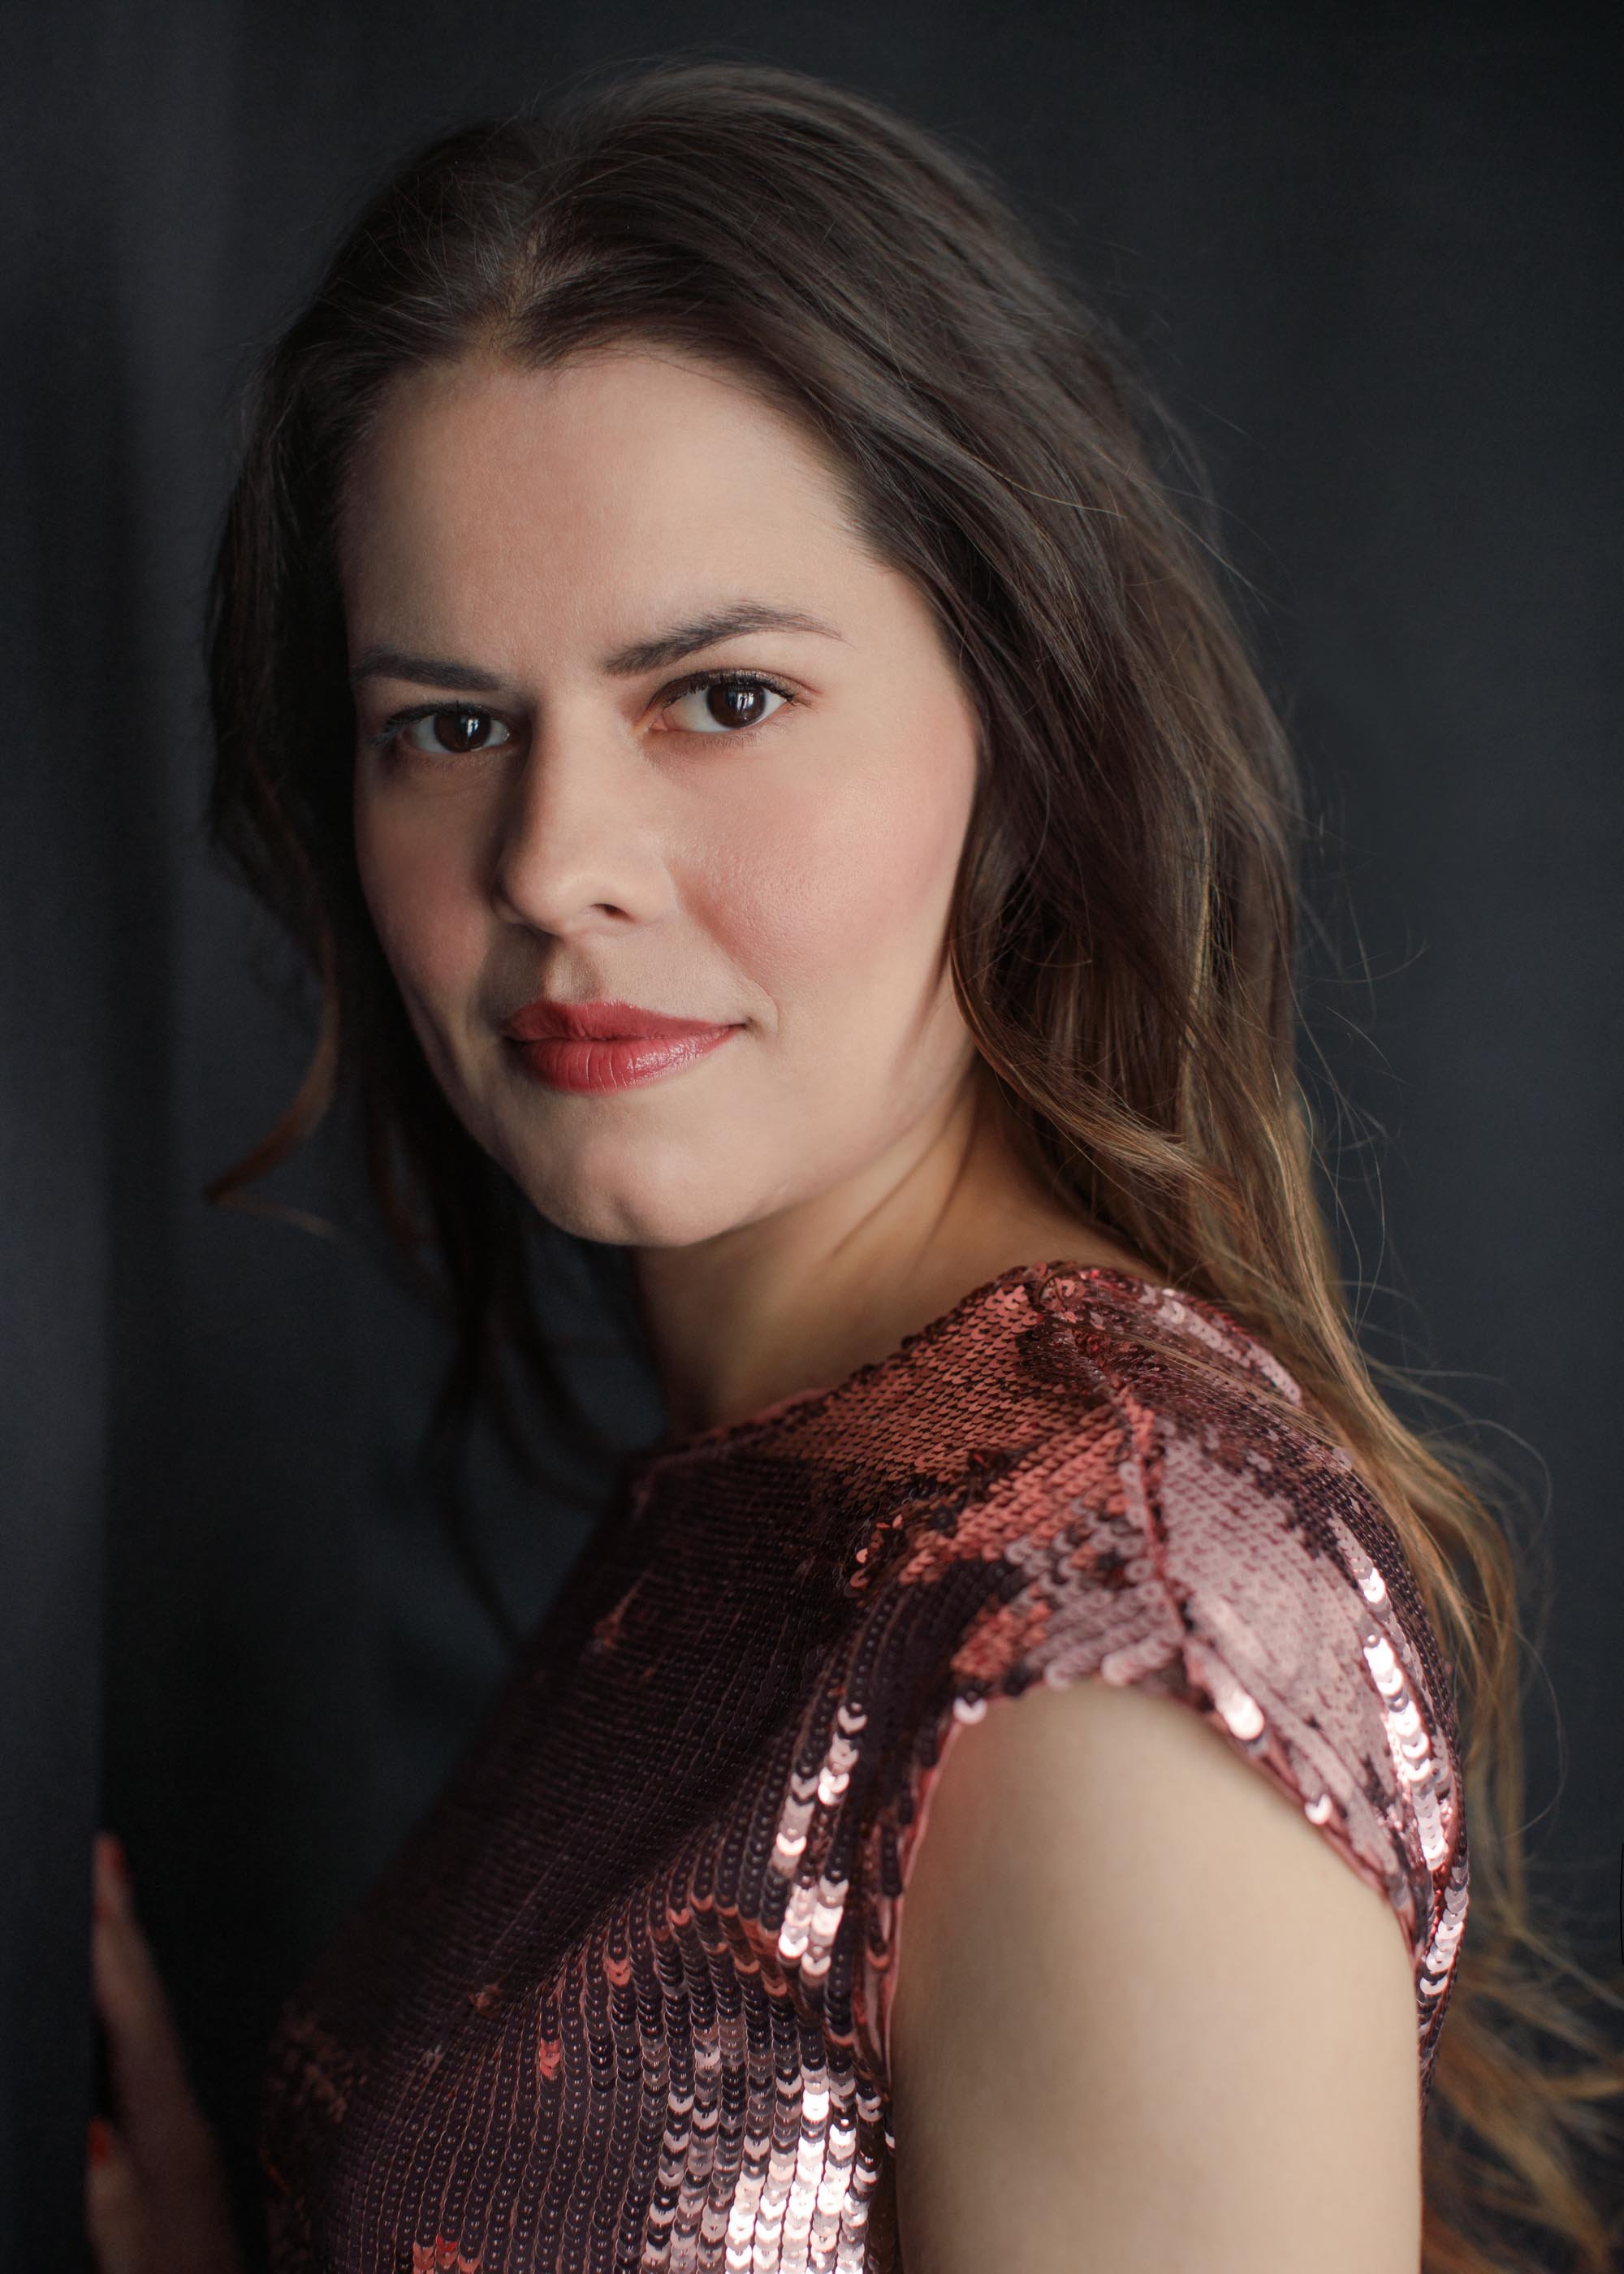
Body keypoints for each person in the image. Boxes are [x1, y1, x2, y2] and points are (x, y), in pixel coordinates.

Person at [85, 58, 1622, 2274]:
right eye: (449, 725)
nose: (556, 864)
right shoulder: (783, 1485)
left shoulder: (1111, 1638)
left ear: (1015, 721)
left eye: (718, 696)